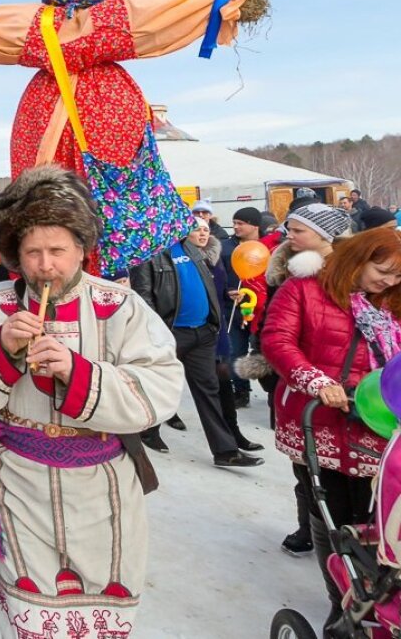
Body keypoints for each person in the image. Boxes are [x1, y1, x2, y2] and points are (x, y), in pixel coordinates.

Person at [0, 165, 185, 636]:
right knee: (32, 614)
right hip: (20, 480)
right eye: (32, 253)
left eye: (57, 251)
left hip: (104, 487)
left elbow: (162, 386)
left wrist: (79, 372)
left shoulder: (121, 305)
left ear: (81, 249)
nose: (45, 266)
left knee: (99, 613)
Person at [261, 227, 401, 633]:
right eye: (383, 271)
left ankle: (378, 597)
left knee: (379, 520)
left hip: (378, 421)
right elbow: (278, 341)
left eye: (397, 276)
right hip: (317, 416)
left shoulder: (391, 300)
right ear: (358, 256)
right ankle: (340, 599)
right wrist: (318, 382)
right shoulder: (304, 289)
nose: (389, 282)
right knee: (331, 514)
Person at [258, 202, 351, 559]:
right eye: (289, 229)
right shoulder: (294, 281)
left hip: (364, 399)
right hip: (311, 398)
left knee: (361, 493)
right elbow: (278, 336)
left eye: (298, 230)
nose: (289, 236)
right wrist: (312, 379)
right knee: (313, 481)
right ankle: (314, 536)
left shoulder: (364, 279)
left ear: (325, 235)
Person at [131, 218, 264, 466]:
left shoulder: (191, 249)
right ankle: (148, 431)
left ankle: (225, 452)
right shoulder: (149, 253)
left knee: (209, 390)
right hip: (172, 334)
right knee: (160, 385)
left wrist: (214, 320)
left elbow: (207, 285)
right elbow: (143, 296)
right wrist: (158, 333)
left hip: (203, 332)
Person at [220, 206, 264, 408]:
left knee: (262, 351)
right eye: (234, 223)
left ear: (254, 225)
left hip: (262, 310)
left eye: (241, 223)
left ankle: (272, 391)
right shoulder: (226, 247)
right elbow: (217, 277)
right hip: (234, 310)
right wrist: (226, 291)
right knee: (234, 351)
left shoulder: (267, 246)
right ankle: (241, 390)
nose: (236, 227)